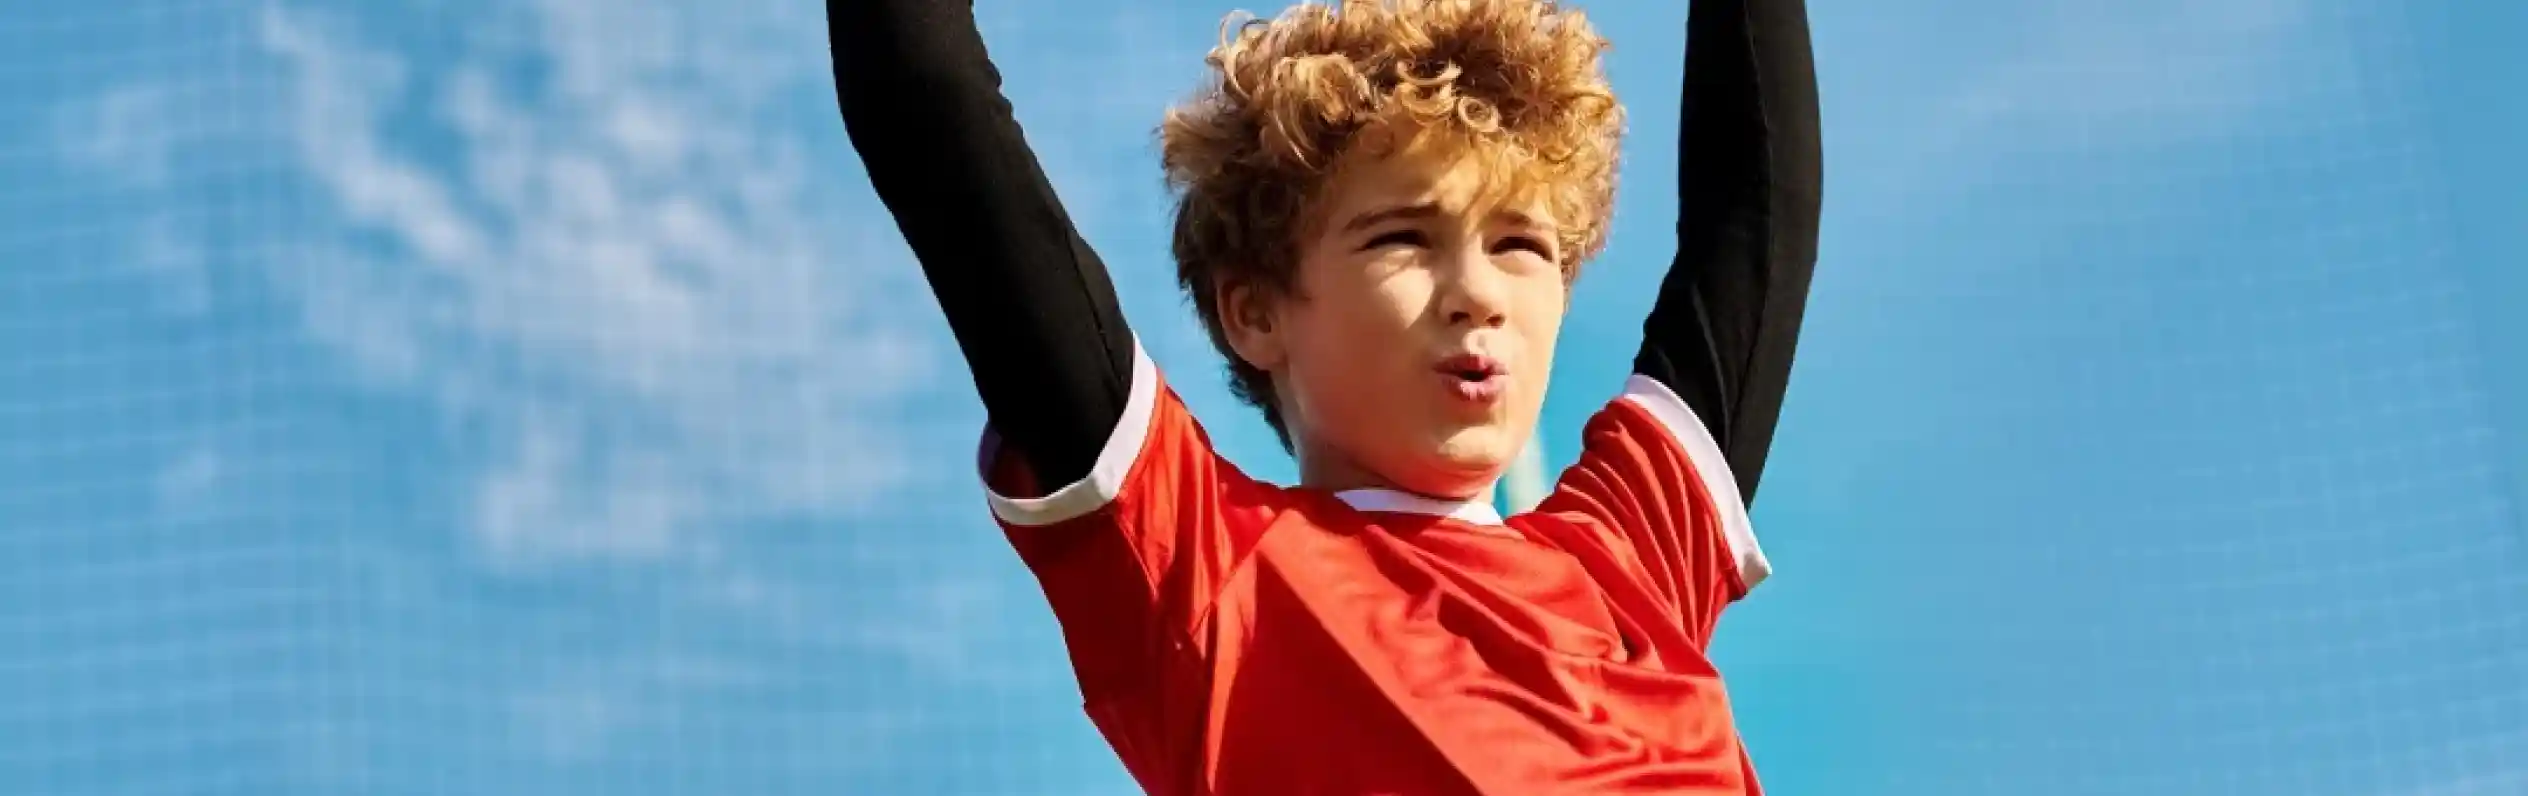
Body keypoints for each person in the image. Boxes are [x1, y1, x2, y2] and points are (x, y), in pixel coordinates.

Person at [829, 0, 1820, 792]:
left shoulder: (1628, 553)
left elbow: (1756, 212)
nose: (1478, 293)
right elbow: (926, 103)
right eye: (1400, 238)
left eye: (1521, 245)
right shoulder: (1200, 562)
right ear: (1255, 312)